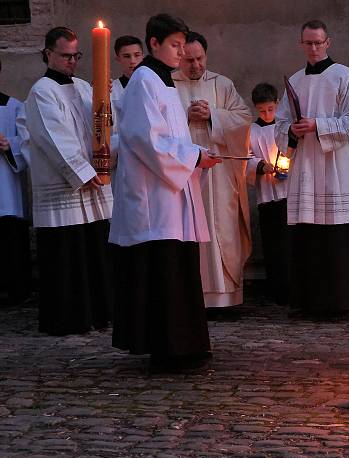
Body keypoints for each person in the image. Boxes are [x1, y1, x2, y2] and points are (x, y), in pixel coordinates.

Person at [109, 13, 222, 369]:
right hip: (154, 200)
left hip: (172, 194)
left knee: (179, 268)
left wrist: (196, 156)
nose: (181, 52)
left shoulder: (165, 82)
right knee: (163, 271)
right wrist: (193, 158)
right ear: (154, 44)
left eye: (182, 44)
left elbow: (172, 138)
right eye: (174, 45)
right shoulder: (143, 80)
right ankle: (168, 348)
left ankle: (186, 344)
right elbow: (146, 139)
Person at [19, 26, 114, 335]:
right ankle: (69, 318)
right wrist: (84, 172)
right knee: (68, 255)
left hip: (93, 186)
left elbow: (100, 127)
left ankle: (100, 313)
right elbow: (52, 137)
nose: (73, 61)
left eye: (77, 55)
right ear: (48, 54)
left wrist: (107, 103)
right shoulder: (41, 91)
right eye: (66, 55)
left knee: (95, 251)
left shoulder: (87, 87)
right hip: (66, 188)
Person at [275, 19, 349, 317]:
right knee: (308, 236)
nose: (313, 48)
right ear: (301, 44)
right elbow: (280, 122)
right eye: (308, 43)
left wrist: (318, 125)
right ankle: (309, 301)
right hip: (305, 167)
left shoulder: (345, 76)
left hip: (335, 167)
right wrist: (292, 131)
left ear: (328, 42)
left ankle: (341, 302)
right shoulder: (296, 80)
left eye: (318, 42)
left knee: (337, 236)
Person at [173, 31, 252, 310]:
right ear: (179, 57)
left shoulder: (223, 84)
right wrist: (185, 115)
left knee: (222, 226)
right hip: (182, 173)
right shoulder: (168, 84)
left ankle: (224, 295)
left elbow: (244, 119)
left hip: (218, 173)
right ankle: (189, 295)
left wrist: (213, 117)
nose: (195, 65)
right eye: (189, 59)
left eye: (200, 58)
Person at [246, 82, 289, 305]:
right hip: (266, 195)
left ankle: (292, 287)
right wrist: (261, 166)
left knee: (289, 242)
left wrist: (287, 165)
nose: (267, 114)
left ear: (278, 104)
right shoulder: (251, 131)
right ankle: (276, 287)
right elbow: (246, 158)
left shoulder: (284, 127)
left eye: (271, 109)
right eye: (262, 110)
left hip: (287, 194)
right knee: (272, 243)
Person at [0, 58, 31, 304]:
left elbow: (28, 143)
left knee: (10, 243)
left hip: (6, 189)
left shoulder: (14, 107)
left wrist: (9, 144)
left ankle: (16, 290)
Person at [110, 35, 144, 120]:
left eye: (137, 55)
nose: (132, 61)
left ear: (143, 56)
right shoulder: (112, 90)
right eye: (127, 56)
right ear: (118, 59)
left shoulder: (153, 85)